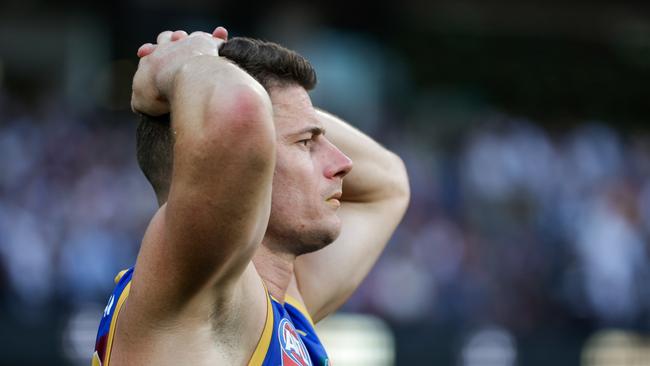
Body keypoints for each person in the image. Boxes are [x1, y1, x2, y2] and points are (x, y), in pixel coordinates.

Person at [92, 26, 410, 366]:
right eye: (305, 142)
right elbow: (239, 112)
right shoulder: (200, 289)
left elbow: (387, 182)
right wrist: (184, 60)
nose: (345, 164)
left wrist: (288, 110)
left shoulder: (281, 301)